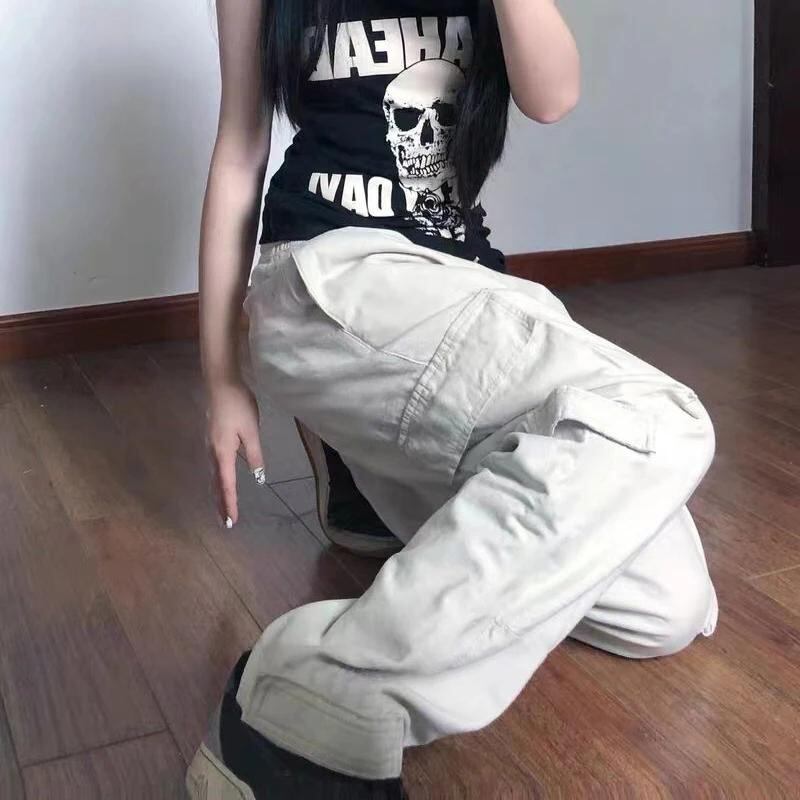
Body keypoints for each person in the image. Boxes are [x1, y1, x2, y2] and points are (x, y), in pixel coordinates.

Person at [190, 1, 719, 798]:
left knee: (666, 607)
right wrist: (222, 379)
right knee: (660, 422)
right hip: (329, 272)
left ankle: (363, 461)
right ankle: (302, 703)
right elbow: (239, 149)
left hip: (459, 285)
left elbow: (553, 96)